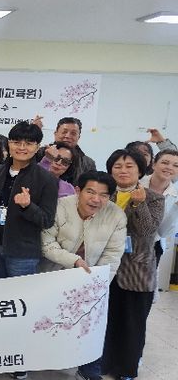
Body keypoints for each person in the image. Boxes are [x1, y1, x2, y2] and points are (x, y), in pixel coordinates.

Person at [40, 171, 127, 380]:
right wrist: (74, 261)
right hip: (52, 273)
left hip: (90, 279)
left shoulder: (116, 215)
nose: (96, 199)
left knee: (93, 325)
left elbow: (113, 254)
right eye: (90, 192)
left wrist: (97, 283)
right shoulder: (60, 206)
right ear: (78, 190)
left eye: (103, 195)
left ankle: (89, 369)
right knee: (45, 320)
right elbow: (46, 243)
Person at [0, 121, 58, 379]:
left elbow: (47, 220)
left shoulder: (46, 179)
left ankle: (19, 360)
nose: (22, 147)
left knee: (19, 308)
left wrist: (28, 206)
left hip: (23, 253)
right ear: (8, 144)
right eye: (16, 141)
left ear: (37, 147)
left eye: (28, 143)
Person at [101, 149, 164, 380]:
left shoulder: (154, 198)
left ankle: (126, 369)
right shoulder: (103, 194)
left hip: (136, 270)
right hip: (105, 268)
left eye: (129, 166)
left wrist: (139, 205)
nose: (123, 171)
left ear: (140, 170)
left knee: (132, 324)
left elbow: (147, 230)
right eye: (117, 166)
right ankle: (103, 364)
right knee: (105, 321)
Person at [139, 149, 178, 293]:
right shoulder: (137, 184)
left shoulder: (175, 196)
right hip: (127, 242)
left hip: (153, 246)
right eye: (165, 162)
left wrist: (175, 209)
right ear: (154, 164)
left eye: (175, 165)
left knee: (144, 290)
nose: (169, 168)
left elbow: (163, 232)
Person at [33, 116, 95, 184]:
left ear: (79, 137)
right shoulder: (38, 152)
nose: (68, 136)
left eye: (73, 133)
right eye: (64, 132)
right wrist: (33, 133)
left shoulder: (88, 163)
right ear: (55, 134)